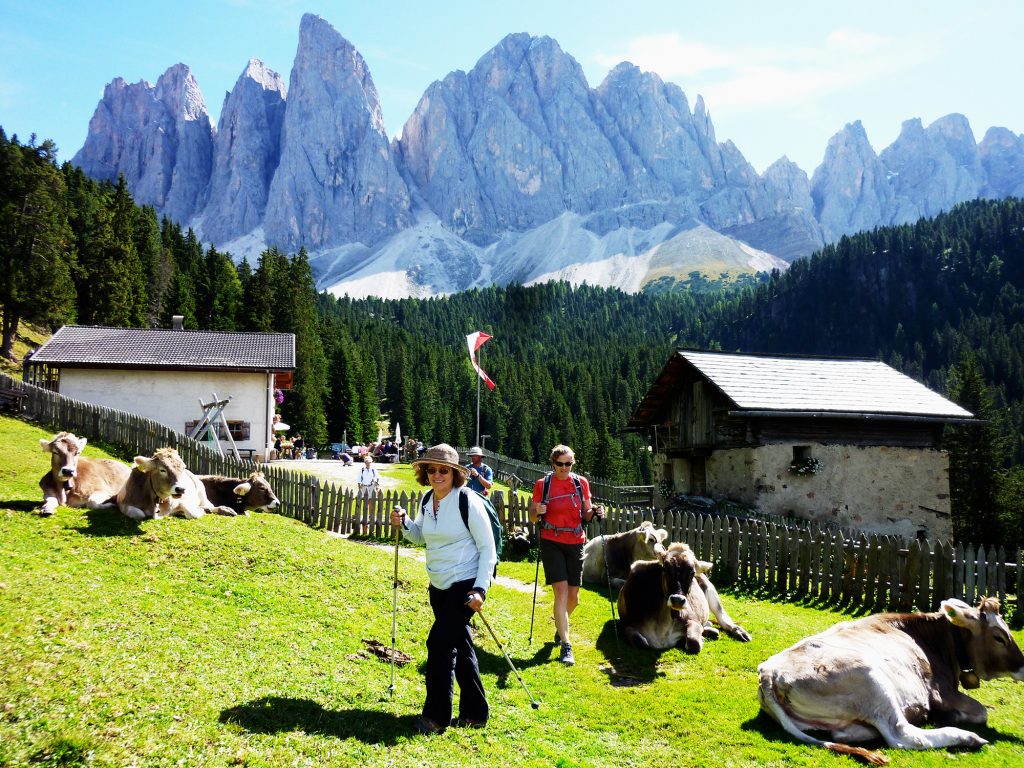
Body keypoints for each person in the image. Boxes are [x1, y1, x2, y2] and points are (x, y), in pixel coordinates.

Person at [390, 444, 496, 734]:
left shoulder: (467, 501)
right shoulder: (427, 499)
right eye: (432, 469)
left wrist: (480, 589)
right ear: (425, 473)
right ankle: (476, 713)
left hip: (464, 585)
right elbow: (421, 536)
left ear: (455, 474)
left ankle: (436, 717)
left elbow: (488, 548)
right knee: (460, 647)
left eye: (444, 470)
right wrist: (404, 524)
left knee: (438, 645)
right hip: (437, 585)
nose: (437, 475)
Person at [529, 444, 604, 667]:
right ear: (553, 464)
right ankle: (566, 645)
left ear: (573, 463)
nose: (564, 468)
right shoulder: (543, 485)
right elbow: (533, 517)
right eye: (560, 464)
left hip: (576, 541)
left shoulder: (581, 483)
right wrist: (537, 512)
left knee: (574, 599)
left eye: (568, 463)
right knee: (560, 593)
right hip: (551, 541)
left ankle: (560, 627)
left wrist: (596, 512)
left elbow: (586, 513)